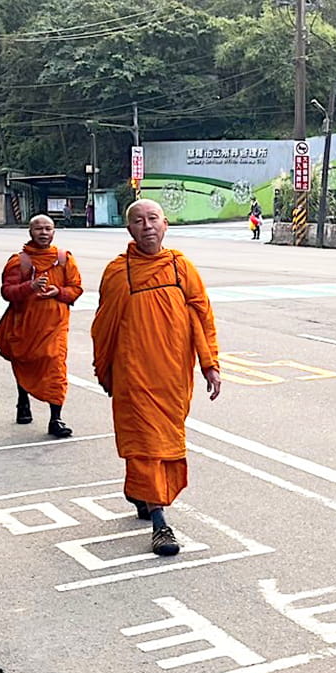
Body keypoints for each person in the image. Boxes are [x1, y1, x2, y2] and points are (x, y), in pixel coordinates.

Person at [91, 199, 221, 557]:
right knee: (147, 445)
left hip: (172, 376)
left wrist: (210, 363)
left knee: (162, 443)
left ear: (165, 224)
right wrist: (106, 369)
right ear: (128, 229)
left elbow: (201, 316)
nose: (147, 226)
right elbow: (104, 326)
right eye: (138, 221)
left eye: (153, 219)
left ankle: (141, 492)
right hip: (134, 376)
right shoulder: (118, 272)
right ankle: (160, 523)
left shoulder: (181, 267)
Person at [0, 215, 83, 439]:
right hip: (26, 325)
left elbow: (76, 288)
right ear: (30, 232)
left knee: (55, 365)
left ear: (54, 232)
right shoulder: (19, 261)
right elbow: (7, 292)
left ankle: (56, 418)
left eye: (48, 229)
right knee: (25, 362)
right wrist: (29, 287)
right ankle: (23, 400)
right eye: (38, 229)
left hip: (55, 325)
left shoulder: (63, 259)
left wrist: (58, 292)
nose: (43, 233)